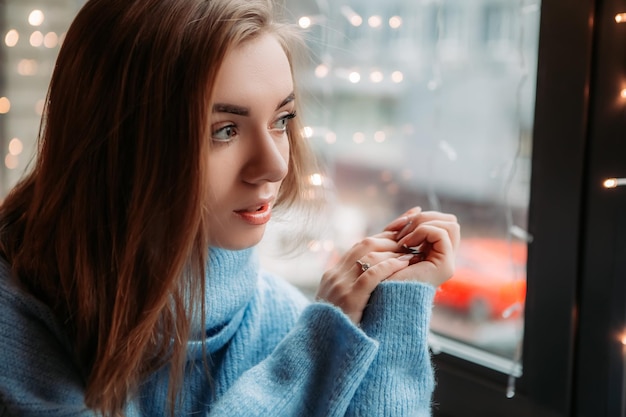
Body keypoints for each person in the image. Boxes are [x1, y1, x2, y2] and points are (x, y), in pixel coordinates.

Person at [0, 0, 460, 415]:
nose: (275, 166)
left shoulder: (280, 315)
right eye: (224, 130)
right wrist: (311, 355)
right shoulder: (17, 319)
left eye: (282, 119)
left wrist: (398, 308)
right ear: (122, 145)